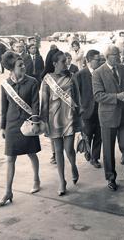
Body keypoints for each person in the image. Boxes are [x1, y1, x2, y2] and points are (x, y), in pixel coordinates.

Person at [0, 51, 41, 206]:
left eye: (23, 64)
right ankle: (8, 191)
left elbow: (36, 104)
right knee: (10, 158)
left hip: (28, 123)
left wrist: (35, 121)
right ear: (11, 69)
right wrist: (3, 127)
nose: (24, 67)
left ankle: (36, 179)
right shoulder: (5, 84)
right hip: (11, 125)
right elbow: (4, 107)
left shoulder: (32, 82)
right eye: (20, 65)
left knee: (31, 153)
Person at [92, 45, 124, 191]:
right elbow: (98, 95)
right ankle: (111, 178)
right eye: (114, 55)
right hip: (107, 116)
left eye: (118, 54)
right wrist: (117, 97)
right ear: (107, 56)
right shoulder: (98, 73)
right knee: (108, 150)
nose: (118, 57)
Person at [40, 51, 81, 196]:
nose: (66, 63)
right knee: (58, 151)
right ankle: (62, 181)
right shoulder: (47, 79)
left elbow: (78, 99)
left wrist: (79, 118)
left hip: (69, 117)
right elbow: (44, 101)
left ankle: (74, 166)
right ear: (55, 63)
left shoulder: (71, 77)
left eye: (66, 61)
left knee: (69, 149)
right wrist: (43, 120)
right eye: (63, 61)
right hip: (54, 119)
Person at [73, 50, 102, 168]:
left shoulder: (101, 73)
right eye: (97, 60)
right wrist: (79, 110)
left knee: (100, 135)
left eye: (100, 60)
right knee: (88, 133)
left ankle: (95, 158)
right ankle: (87, 150)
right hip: (86, 111)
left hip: (100, 109)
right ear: (89, 61)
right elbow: (75, 94)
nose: (100, 62)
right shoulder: (80, 75)